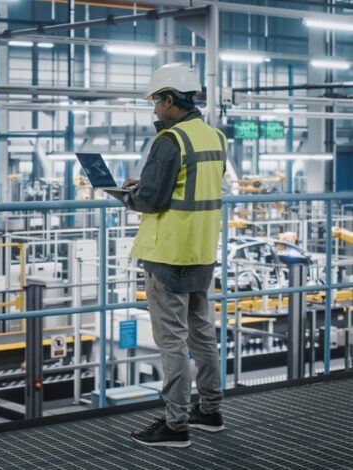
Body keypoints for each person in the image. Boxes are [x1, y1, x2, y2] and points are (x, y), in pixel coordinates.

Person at [124, 63, 227, 448]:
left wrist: (131, 194)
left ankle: (176, 424)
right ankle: (210, 411)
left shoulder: (170, 141)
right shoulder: (214, 136)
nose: (154, 110)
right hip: (201, 250)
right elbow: (193, 185)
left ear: (170, 101)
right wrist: (148, 183)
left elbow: (152, 199)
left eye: (156, 102)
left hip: (168, 254)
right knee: (202, 335)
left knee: (171, 341)